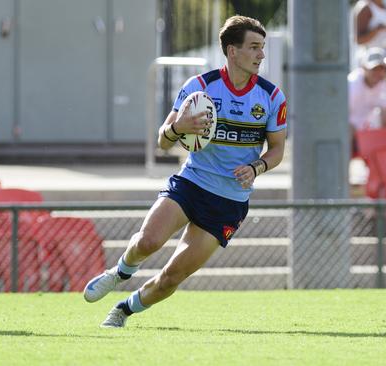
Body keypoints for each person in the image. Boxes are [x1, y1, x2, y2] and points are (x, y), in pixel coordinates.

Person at [83, 15, 287, 328]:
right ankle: (120, 272)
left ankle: (123, 310)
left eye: (262, 48)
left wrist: (256, 166)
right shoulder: (200, 87)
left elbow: (276, 151)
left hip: (228, 202)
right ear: (233, 52)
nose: (261, 55)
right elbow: (163, 142)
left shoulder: (272, 97)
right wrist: (179, 127)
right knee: (148, 242)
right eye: (254, 47)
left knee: (171, 277)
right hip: (191, 183)